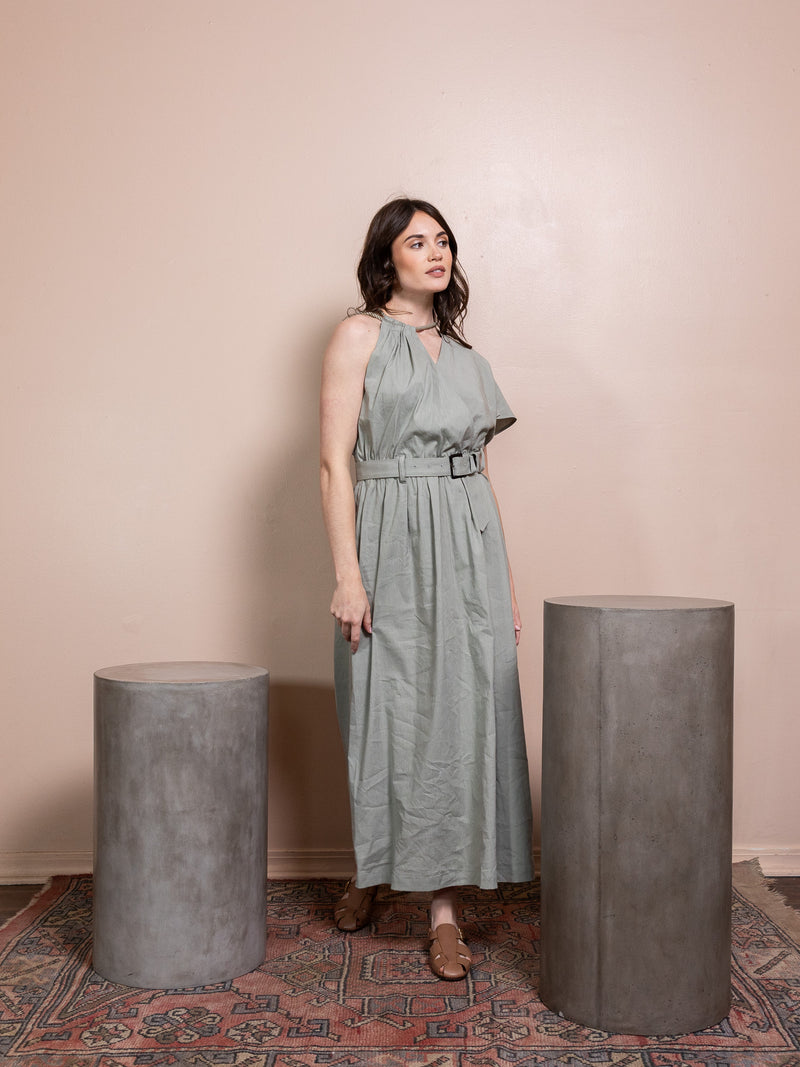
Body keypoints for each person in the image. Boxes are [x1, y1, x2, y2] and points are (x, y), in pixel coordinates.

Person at [319, 197, 533, 981]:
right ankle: (374, 869)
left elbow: (483, 477)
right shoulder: (358, 336)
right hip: (387, 532)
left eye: (443, 241)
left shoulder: (471, 359)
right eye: (418, 241)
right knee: (383, 706)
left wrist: (503, 585)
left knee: (459, 717)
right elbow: (334, 462)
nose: (436, 253)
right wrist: (349, 573)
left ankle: (444, 912)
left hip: (467, 540)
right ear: (389, 257)